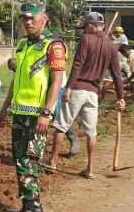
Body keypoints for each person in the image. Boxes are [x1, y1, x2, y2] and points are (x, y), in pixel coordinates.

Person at [0, 1, 66, 212]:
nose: (27, 22)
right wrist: (5, 107)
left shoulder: (53, 46)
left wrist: (46, 113)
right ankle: (35, 207)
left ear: (44, 18)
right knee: (19, 160)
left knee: (28, 161)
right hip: (19, 112)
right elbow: (17, 80)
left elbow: (56, 82)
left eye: (32, 18)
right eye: (24, 18)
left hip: (37, 116)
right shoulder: (23, 44)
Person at [47, 11, 125, 178]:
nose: (85, 30)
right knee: (91, 131)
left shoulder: (86, 39)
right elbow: (117, 75)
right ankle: (90, 169)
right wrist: (121, 97)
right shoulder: (111, 46)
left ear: (90, 25)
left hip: (78, 88)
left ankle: (52, 162)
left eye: (86, 27)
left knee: (61, 125)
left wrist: (68, 87)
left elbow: (78, 64)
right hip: (93, 93)